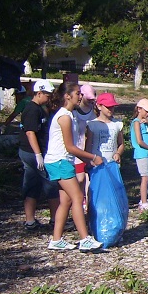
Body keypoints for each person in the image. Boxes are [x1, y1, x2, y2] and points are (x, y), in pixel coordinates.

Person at [44, 82, 102, 251]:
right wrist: (92, 157)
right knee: (77, 197)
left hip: (62, 161)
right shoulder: (64, 117)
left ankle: (56, 240)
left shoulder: (69, 115)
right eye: (77, 93)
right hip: (60, 161)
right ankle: (84, 239)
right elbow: (70, 147)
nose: (80, 96)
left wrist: (86, 160)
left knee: (66, 200)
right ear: (67, 96)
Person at [19, 79, 60, 229]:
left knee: (32, 184)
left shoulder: (40, 109)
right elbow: (30, 133)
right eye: (47, 95)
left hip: (32, 152)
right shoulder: (32, 109)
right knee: (51, 184)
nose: (48, 98)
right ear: (39, 93)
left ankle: (30, 220)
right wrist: (38, 154)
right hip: (32, 152)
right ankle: (55, 219)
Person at [130, 98, 148, 210]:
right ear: (139, 109)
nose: (147, 114)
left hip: (147, 153)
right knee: (145, 177)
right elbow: (139, 141)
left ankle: (145, 199)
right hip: (142, 153)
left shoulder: (145, 123)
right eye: (146, 111)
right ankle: (144, 202)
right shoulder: (136, 122)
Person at [84, 93, 124, 164]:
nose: (110, 109)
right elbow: (89, 145)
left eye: (112, 107)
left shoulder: (117, 124)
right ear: (99, 106)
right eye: (108, 107)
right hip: (97, 162)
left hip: (112, 162)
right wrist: (89, 161)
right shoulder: (92, 124)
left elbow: (121, 144)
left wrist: (118, 153)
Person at [72, 84, 98, 184]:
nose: (91, 101)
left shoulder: (94, 111)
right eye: (88, 99)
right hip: (76, 149)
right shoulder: (73, 112)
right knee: (79, 179)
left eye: (92, 99)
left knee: (86, 179)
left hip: (89, 149)